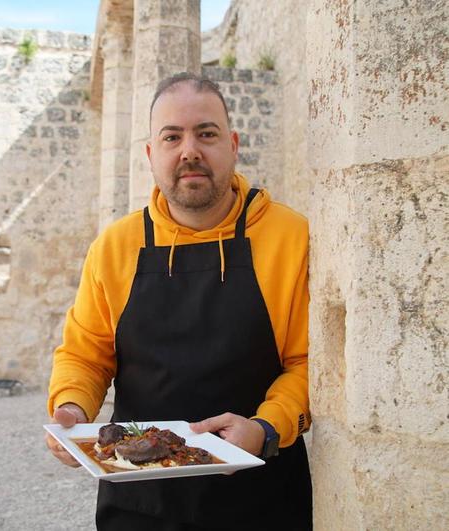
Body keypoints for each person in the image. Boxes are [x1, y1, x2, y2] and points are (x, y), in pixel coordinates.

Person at [45, 72, 312, 530]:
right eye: (172, 137)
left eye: (205, 134)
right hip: (139, 496)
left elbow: (307, 362)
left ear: (232, 143)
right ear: (152, 154)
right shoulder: (115, 246)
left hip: (263, 493)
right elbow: (85, 354)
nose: (189, 150)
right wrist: (72, 408)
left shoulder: (290, 236)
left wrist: (266, 428)